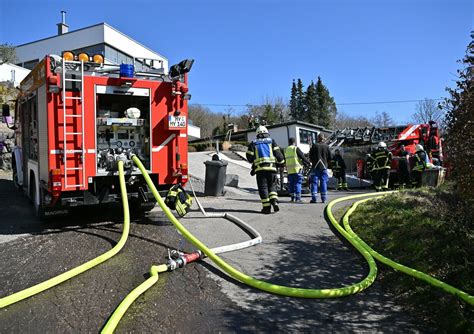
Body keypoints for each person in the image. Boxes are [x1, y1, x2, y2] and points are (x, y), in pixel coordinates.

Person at [246, 126, 285, 214]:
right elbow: (279, 155)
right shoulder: (271, 141)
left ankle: (266, 208)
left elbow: (249, 157)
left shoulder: (254, 143)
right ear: (266, 133)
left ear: (257, 134)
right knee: (272, 186)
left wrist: (254, 165)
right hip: (271, 169)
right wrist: (282, 163)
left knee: (263, 188)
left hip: (260, 170)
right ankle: (274, 200)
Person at [284, 137, 310, 203]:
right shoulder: (295, 148)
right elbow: (302, 157)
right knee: (298, 183)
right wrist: (308, 163)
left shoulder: (286, 149)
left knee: (291, 184)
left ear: (289, 142)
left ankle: (292, 198)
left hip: (289, 170)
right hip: (297, 169)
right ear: (294, 142)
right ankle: (298, 198)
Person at [308, 133, 332, 203]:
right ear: (323, 138)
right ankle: (324, 199)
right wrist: (326, 163)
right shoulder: (326, 146)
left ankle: (314, 198)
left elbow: (310, 156)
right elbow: (330, 157)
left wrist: (313, 162)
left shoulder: (314, 145)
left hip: (315, 167)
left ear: (318, 138)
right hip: (324, 166)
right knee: (323, 181)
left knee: (314, 182)